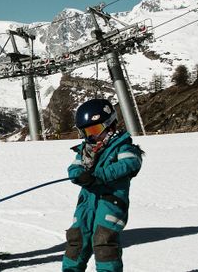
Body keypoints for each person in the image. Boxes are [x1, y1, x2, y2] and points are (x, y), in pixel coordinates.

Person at [62, 98, 144, 272]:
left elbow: (130, 164)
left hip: (111, 201)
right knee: (77, 237)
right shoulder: (86, 150)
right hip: (86, 202)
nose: (91, 135)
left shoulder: (122, 146)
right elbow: (74, 168)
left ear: (109, 125)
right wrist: (79, 175)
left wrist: (98, 176)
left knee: (103, 239)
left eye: (95, 130)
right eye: (86, 132)